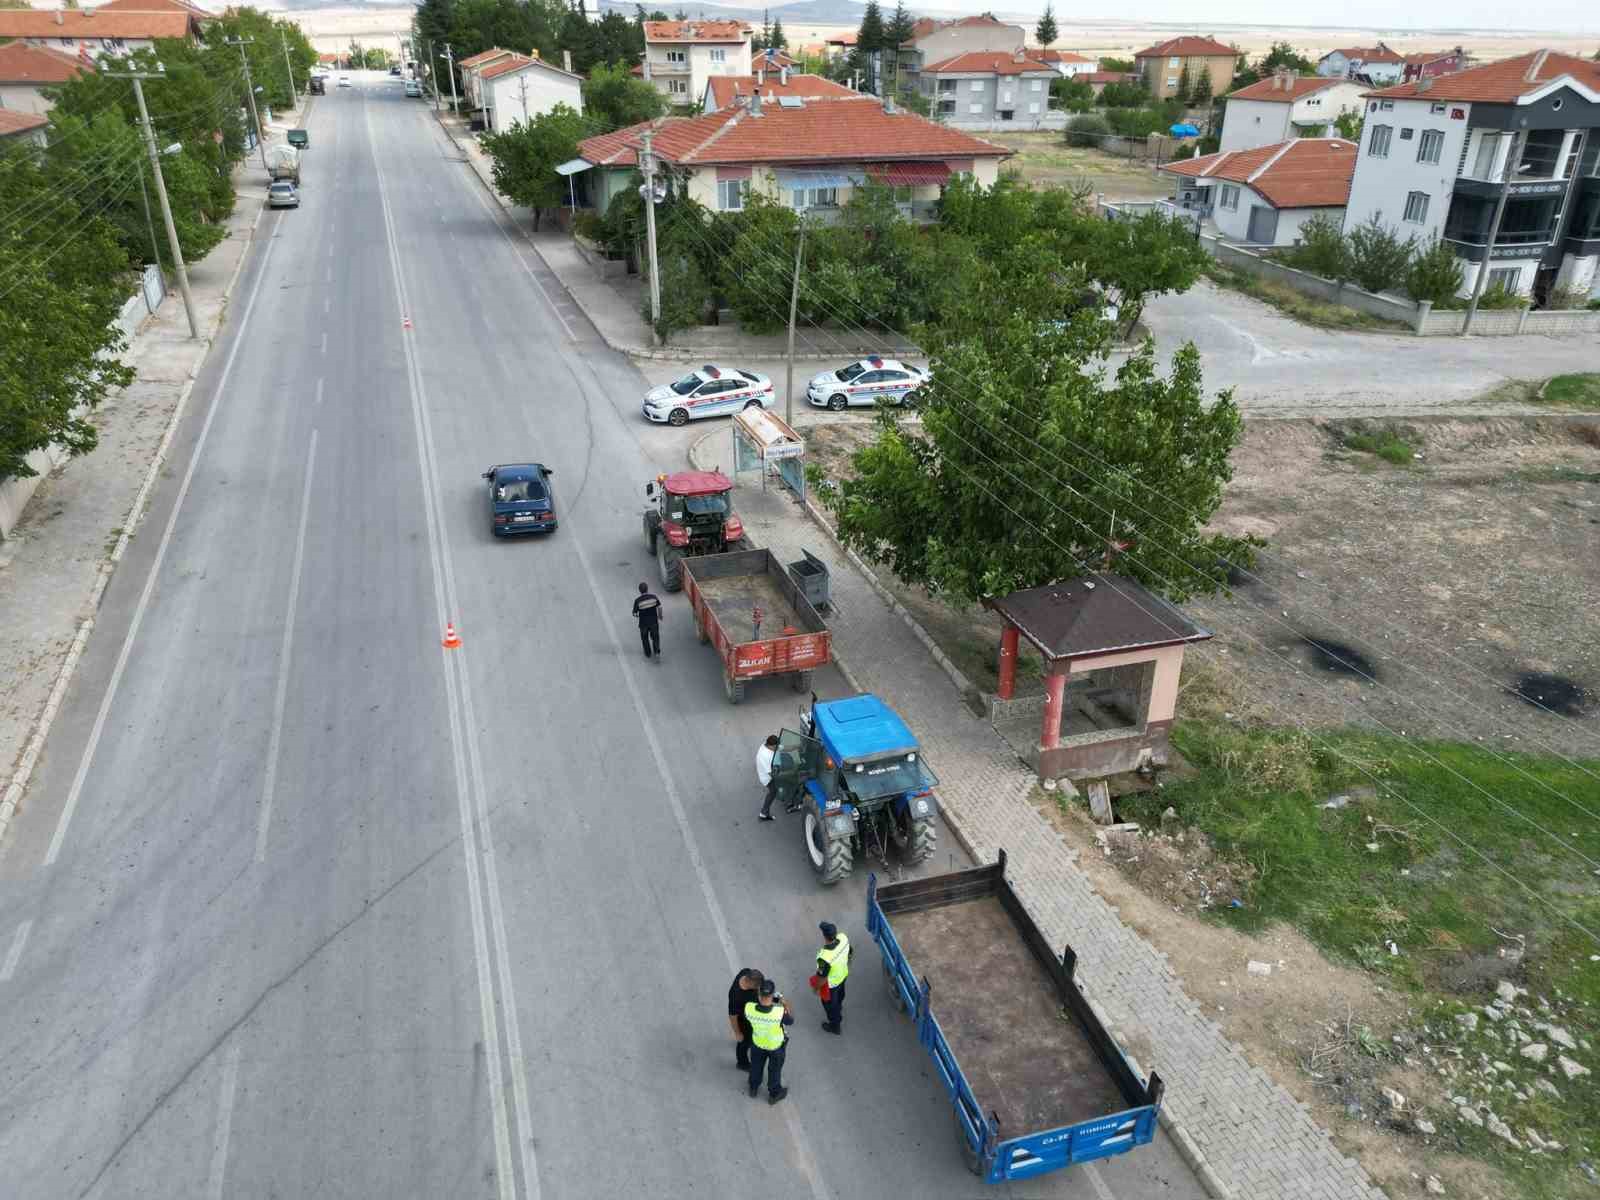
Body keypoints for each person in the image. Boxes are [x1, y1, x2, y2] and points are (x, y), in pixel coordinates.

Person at [745, 979, 793, 1104]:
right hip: (775, 1046)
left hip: (757, 1044)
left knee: (756, 1066)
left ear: (759, 994)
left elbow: (755, 1006)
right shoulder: (779, 1012)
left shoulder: (749, 1008)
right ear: (772, 996)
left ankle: (753, 1087)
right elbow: (790, 1021)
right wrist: (783, 1002)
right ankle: (774, 1093)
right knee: (775, 1070)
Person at [815, 921, 850, 1035]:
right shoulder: (843, 938)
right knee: (840, 997)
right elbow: (850, 952)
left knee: (830, 1007)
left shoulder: (824, 957)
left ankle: (835, 1026)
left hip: (831, 986)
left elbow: (822, 977)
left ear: (824, 936)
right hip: (843, 977)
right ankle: (839, 1007)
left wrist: (816, 988)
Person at [727, 968, 765, 1070]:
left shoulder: (746, 971)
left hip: (751, 1012)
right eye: (757, 986)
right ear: (750, 983)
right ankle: (742, 1063)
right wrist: (737, 1033)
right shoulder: (736, 996)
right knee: (744, 1041)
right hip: (743, 1020)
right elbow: (732, 1015)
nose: (758, 988)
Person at [632, 581, 661, 661]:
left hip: (643, 624)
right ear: (647, 589)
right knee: (655, 637)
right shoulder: (653, 597)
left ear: (639, 590)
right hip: (654, 622)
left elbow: (634, 613)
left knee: (644, 638)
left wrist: (637, 615)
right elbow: (659, 607)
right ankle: (657, 652)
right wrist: (660, 616)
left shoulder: (637, 601)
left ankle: (648, 653)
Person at [755, 734, 780, 821]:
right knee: (773, 792)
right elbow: (771, 774)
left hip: (772, 767)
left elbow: (782, 747)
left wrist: (796, 747)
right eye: (775, 747)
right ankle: (763, 813)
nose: (777, 748)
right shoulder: (764, 756)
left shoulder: (767, 744)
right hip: (767, 778)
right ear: (771, 745)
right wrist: (784, 775)